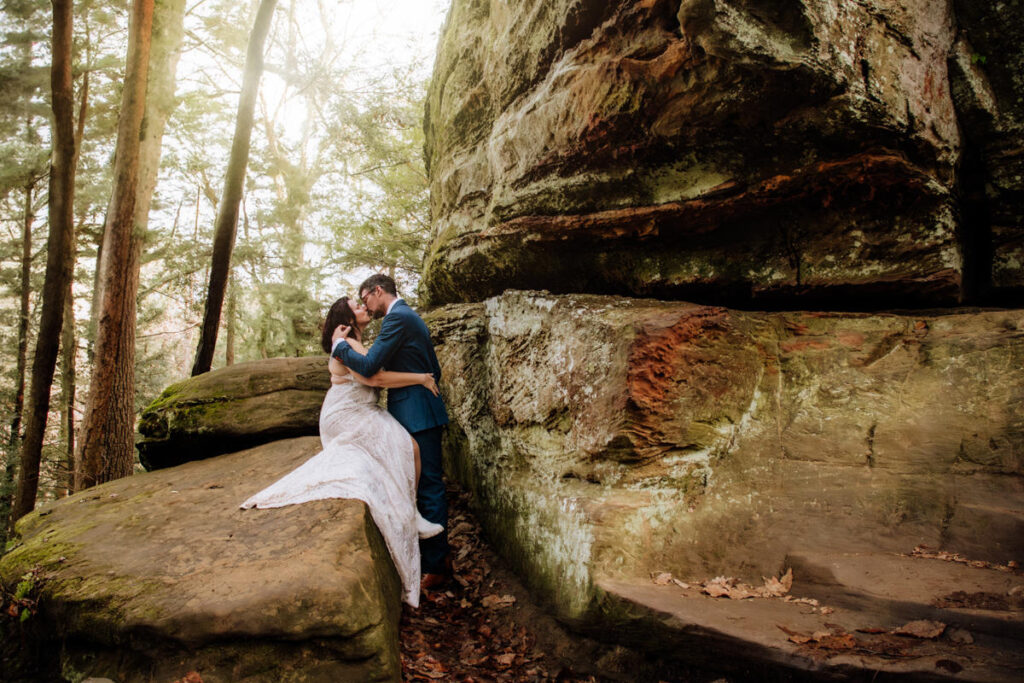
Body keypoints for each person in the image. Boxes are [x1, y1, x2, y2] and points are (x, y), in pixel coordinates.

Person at [240, 296, 439, 607]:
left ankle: (411, 512)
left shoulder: (353, 343)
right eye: (357, 306)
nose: (364, 308)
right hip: (346, 414)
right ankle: (410, 514)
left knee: (402, 449)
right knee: (408, 446)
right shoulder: (344, 345)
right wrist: (421, 378)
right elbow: (375, 378)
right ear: (346, 319)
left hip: (362, 409)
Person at [332, 274, 451, 590]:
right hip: (416, 409)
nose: (366, 306)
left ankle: (437, 566)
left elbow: (370, 367)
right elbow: (432, 370)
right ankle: (436, 558)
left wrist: (338, 346)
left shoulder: (397, 318)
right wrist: (419, 379)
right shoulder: (407, 316)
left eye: (365, 298)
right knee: (422, 483)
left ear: (378, 291)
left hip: (419, 414)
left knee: (427, 485)